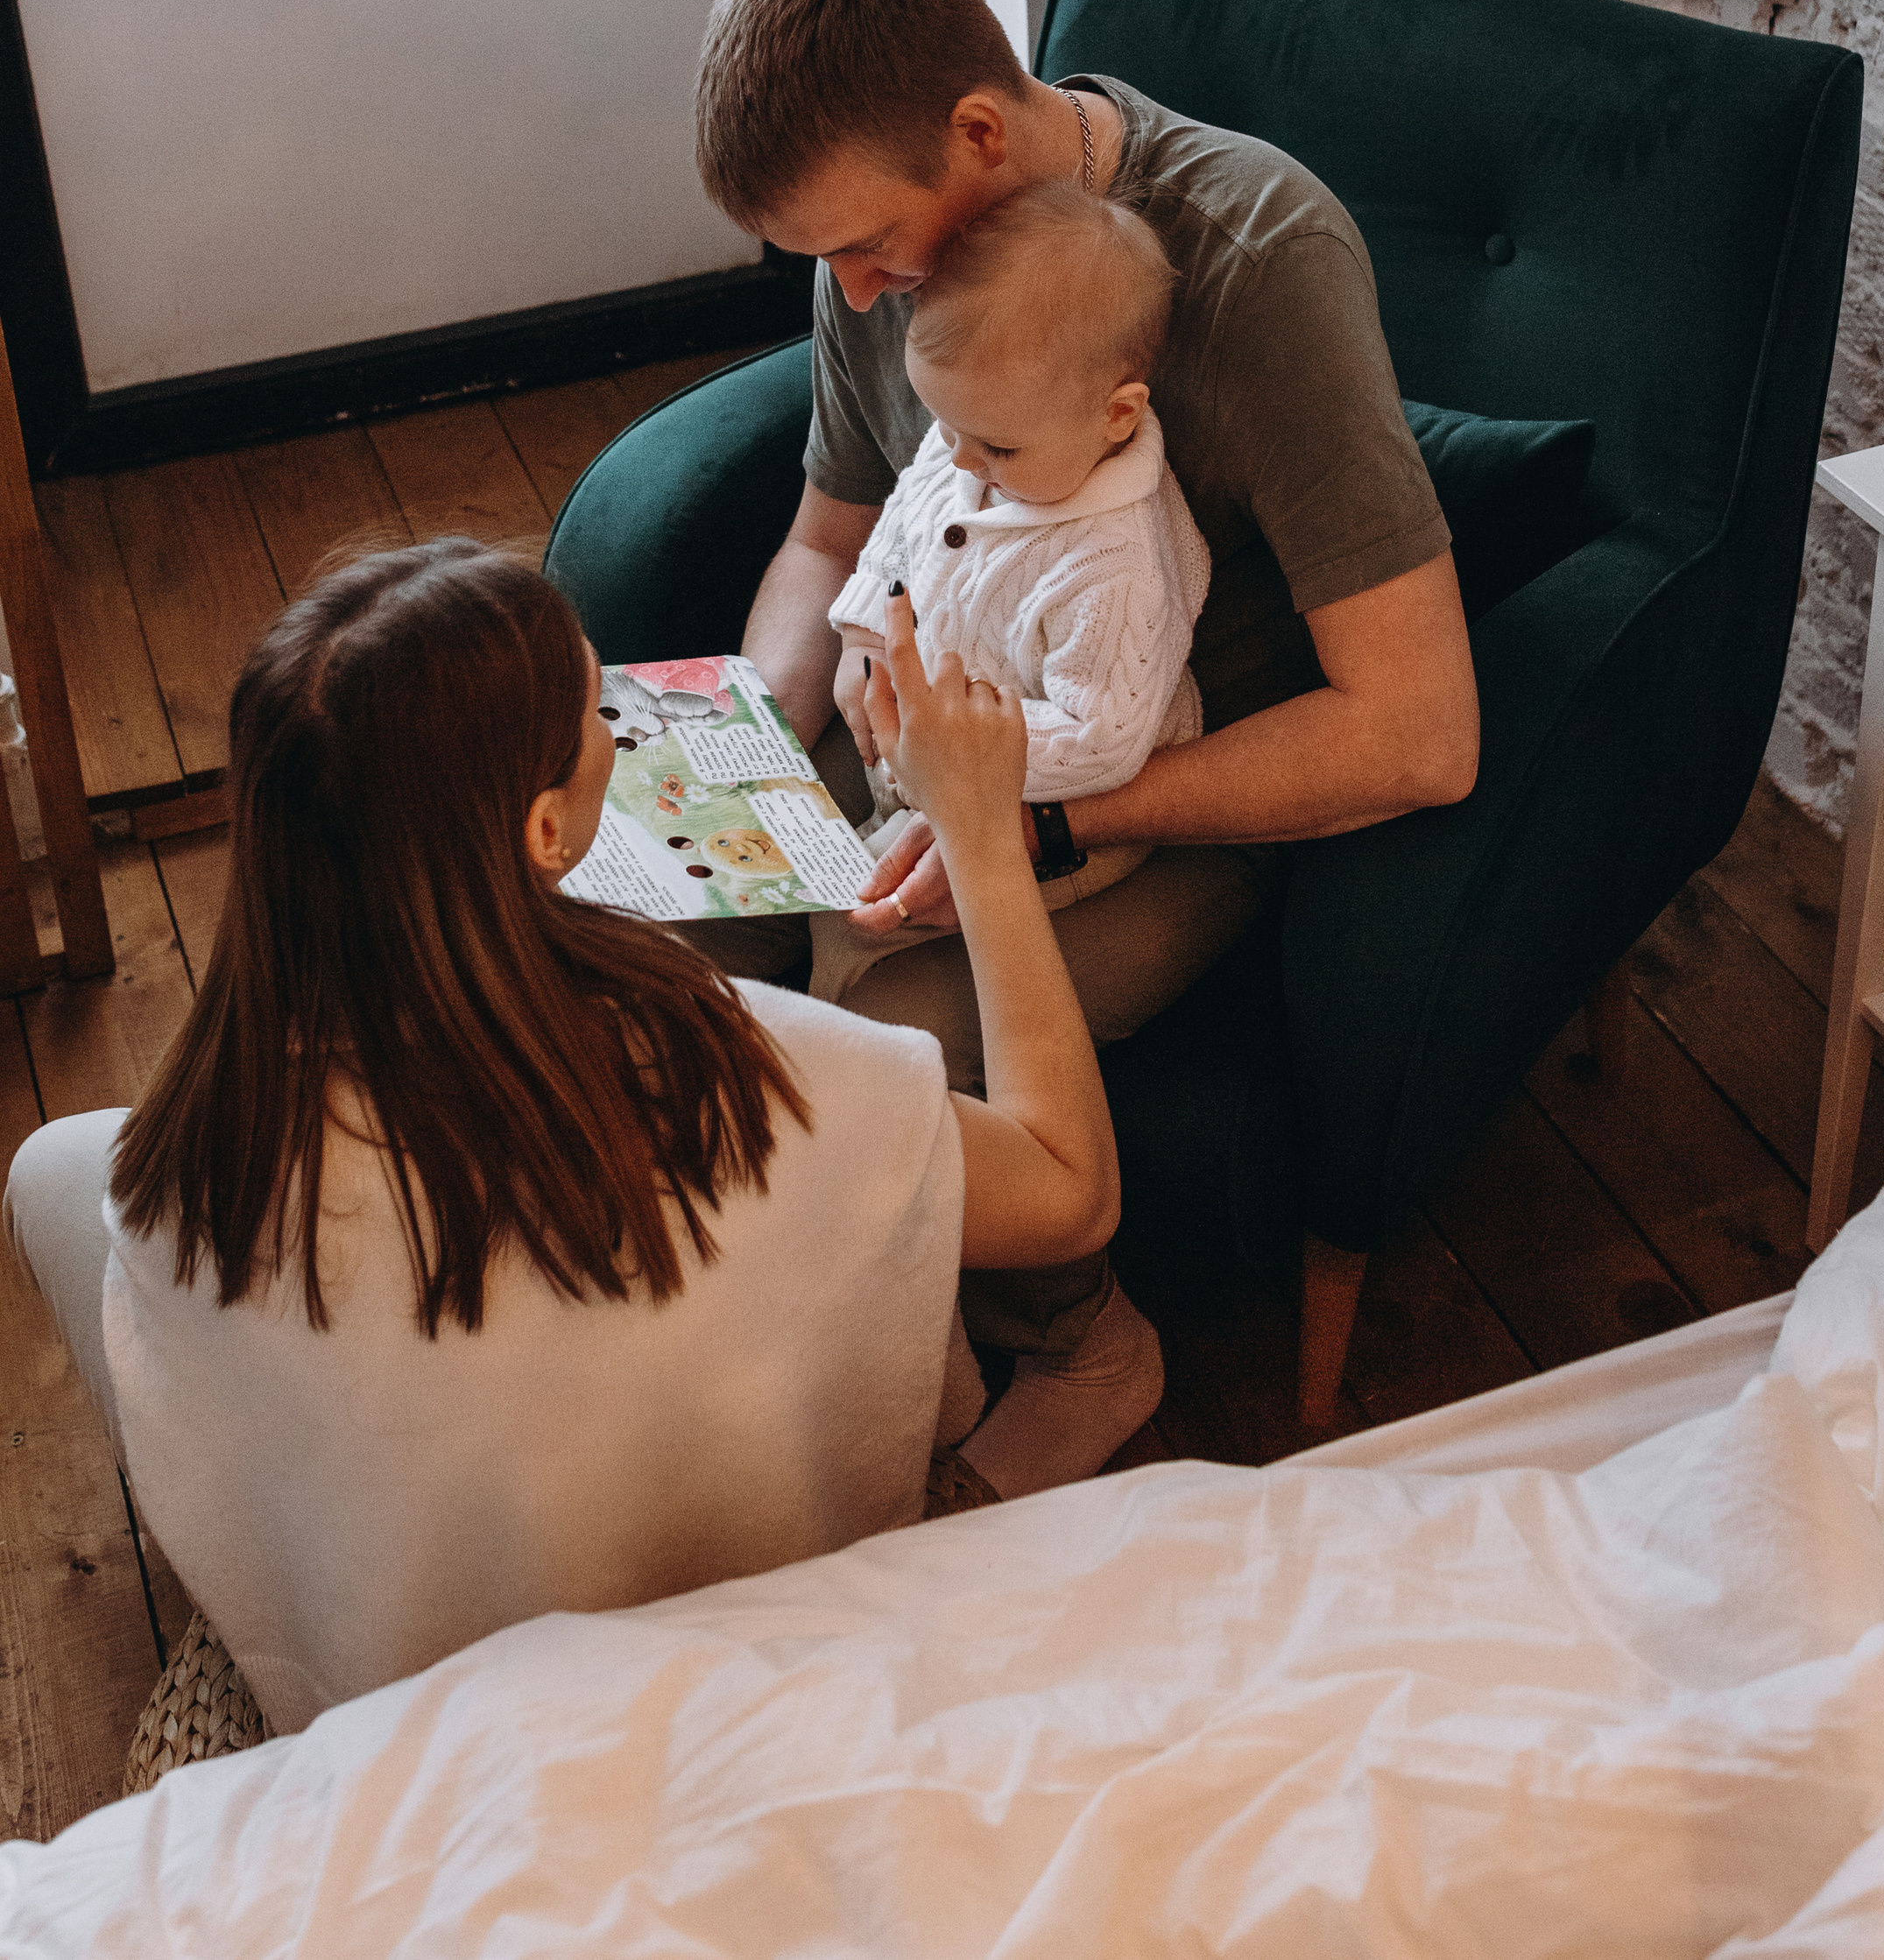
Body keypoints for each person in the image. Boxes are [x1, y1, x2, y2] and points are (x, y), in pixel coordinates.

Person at [3, 540, 1118, 1737]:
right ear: (544, 831)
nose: (618, 723)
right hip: (737, 1610)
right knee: (879, 1172)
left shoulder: (202, 1151)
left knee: (54, 1167)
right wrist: (985, 834)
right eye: (597, 708)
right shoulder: (743, 1067)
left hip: (392, 1673)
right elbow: (1068, 1192)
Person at [694, 0, 1480, 1496]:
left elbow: (1417, 728)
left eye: (860, 247)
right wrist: (751, 734)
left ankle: (1081, 1340)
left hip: (1161, 785)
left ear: (979, 131)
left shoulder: (1256, 258)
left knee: (892, 1045)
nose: (848, 297)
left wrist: (1036, 820)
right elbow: (821, 541)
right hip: (930, 735)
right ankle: (690, 1322)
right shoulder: (888, 269)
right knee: (621, 924)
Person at [813, 176, 1210, 1006]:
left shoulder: (1115, 564)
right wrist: (860, 633)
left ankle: (827, 1031)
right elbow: (902, 528)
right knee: (823, 878)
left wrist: (953, 762)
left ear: (1117, 416)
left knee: (869, 937)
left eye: (991, 446)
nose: (958, 461)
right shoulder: (979, 436)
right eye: (946, 427)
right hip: (931, 756)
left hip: (1062, 803)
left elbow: (1100, 736)